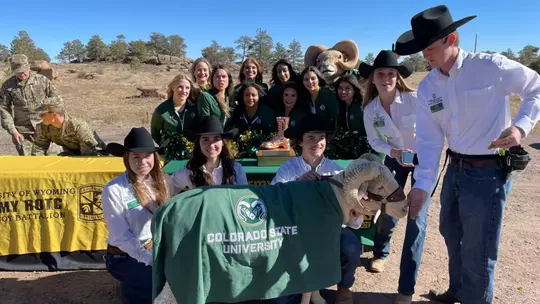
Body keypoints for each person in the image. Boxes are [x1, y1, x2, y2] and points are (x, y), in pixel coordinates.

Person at [393, 5, 540, 304]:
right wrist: (421, 187)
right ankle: (459, 291)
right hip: (455, 169)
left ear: (452, 39)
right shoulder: (429, 86)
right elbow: (431, 141)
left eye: (430, 48)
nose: (425, 56)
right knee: (450, 232)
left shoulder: (491, 67)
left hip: (488, 173)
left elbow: (536, 88)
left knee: (479, 248)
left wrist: (520, 129)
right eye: (422, 50)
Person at [360, 50, 428, 304]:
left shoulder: (414, 99)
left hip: (423, 162)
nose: (386, 77)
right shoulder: (371, 109)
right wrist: (394, 151)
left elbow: (432, 129)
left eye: (391, 73)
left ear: (397, 77)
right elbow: (374, 140)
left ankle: (406, 290)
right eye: (380, 74)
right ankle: (381, 252)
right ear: (373, 79)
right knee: (390, 211)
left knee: (416, 219)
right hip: (394, 160)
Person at [271, 113, 361, 304]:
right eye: (310, 138)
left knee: (350, 245)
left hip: (330, 231)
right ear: (300, 142)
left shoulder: (338, 172)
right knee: (280, 302)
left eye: (321, 138)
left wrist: (355, 212)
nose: (316, 143)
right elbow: (273, 200)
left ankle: (343, 288)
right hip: (294, 233)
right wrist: (296, 184)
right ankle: (300, 288)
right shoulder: (287, 169)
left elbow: (354, 223)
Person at [101, 127, 174, 304]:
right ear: (126, 158)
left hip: (156, 249)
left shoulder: (163, 181)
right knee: (160, 284)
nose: (142, 162)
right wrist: (151, 260)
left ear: (154, 158)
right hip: (125, 256)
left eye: (147, 156)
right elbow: (121, 237)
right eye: (135, 157)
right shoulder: (114, 190)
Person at [0, 54, 59, 155]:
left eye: (23, 71)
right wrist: (13, 130)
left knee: (53, 161)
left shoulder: (43, 80)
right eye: (17, 72)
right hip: (23, 132)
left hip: (46, 128)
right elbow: (4, 108)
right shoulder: (7, 86)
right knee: (29, 165)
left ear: (28, 68)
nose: (21, 74)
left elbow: (56, 101)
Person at [171, 115, 247, 193]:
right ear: (199, 143)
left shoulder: (236, 169)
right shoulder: (189, 171)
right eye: (205, 139)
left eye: (216, 139)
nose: (211, 145)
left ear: (223, 143)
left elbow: (243, 198)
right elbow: (168, 189)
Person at [31, 96, 107, 156]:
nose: (40, 117)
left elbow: (89, 155)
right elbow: (39, 147)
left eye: (42, 115)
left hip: (97, 154)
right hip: (73, 153)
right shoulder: (45, 127)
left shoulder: (78, 126)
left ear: (54, 115)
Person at [151, 73, 200, 149]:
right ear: (173, 87)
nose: (184, 91)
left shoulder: (194, 109)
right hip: (169, 154)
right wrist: (166, 146)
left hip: (193, 153)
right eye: (180, 87)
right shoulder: (161, 110)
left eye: (187, 88)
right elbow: (155, 133)